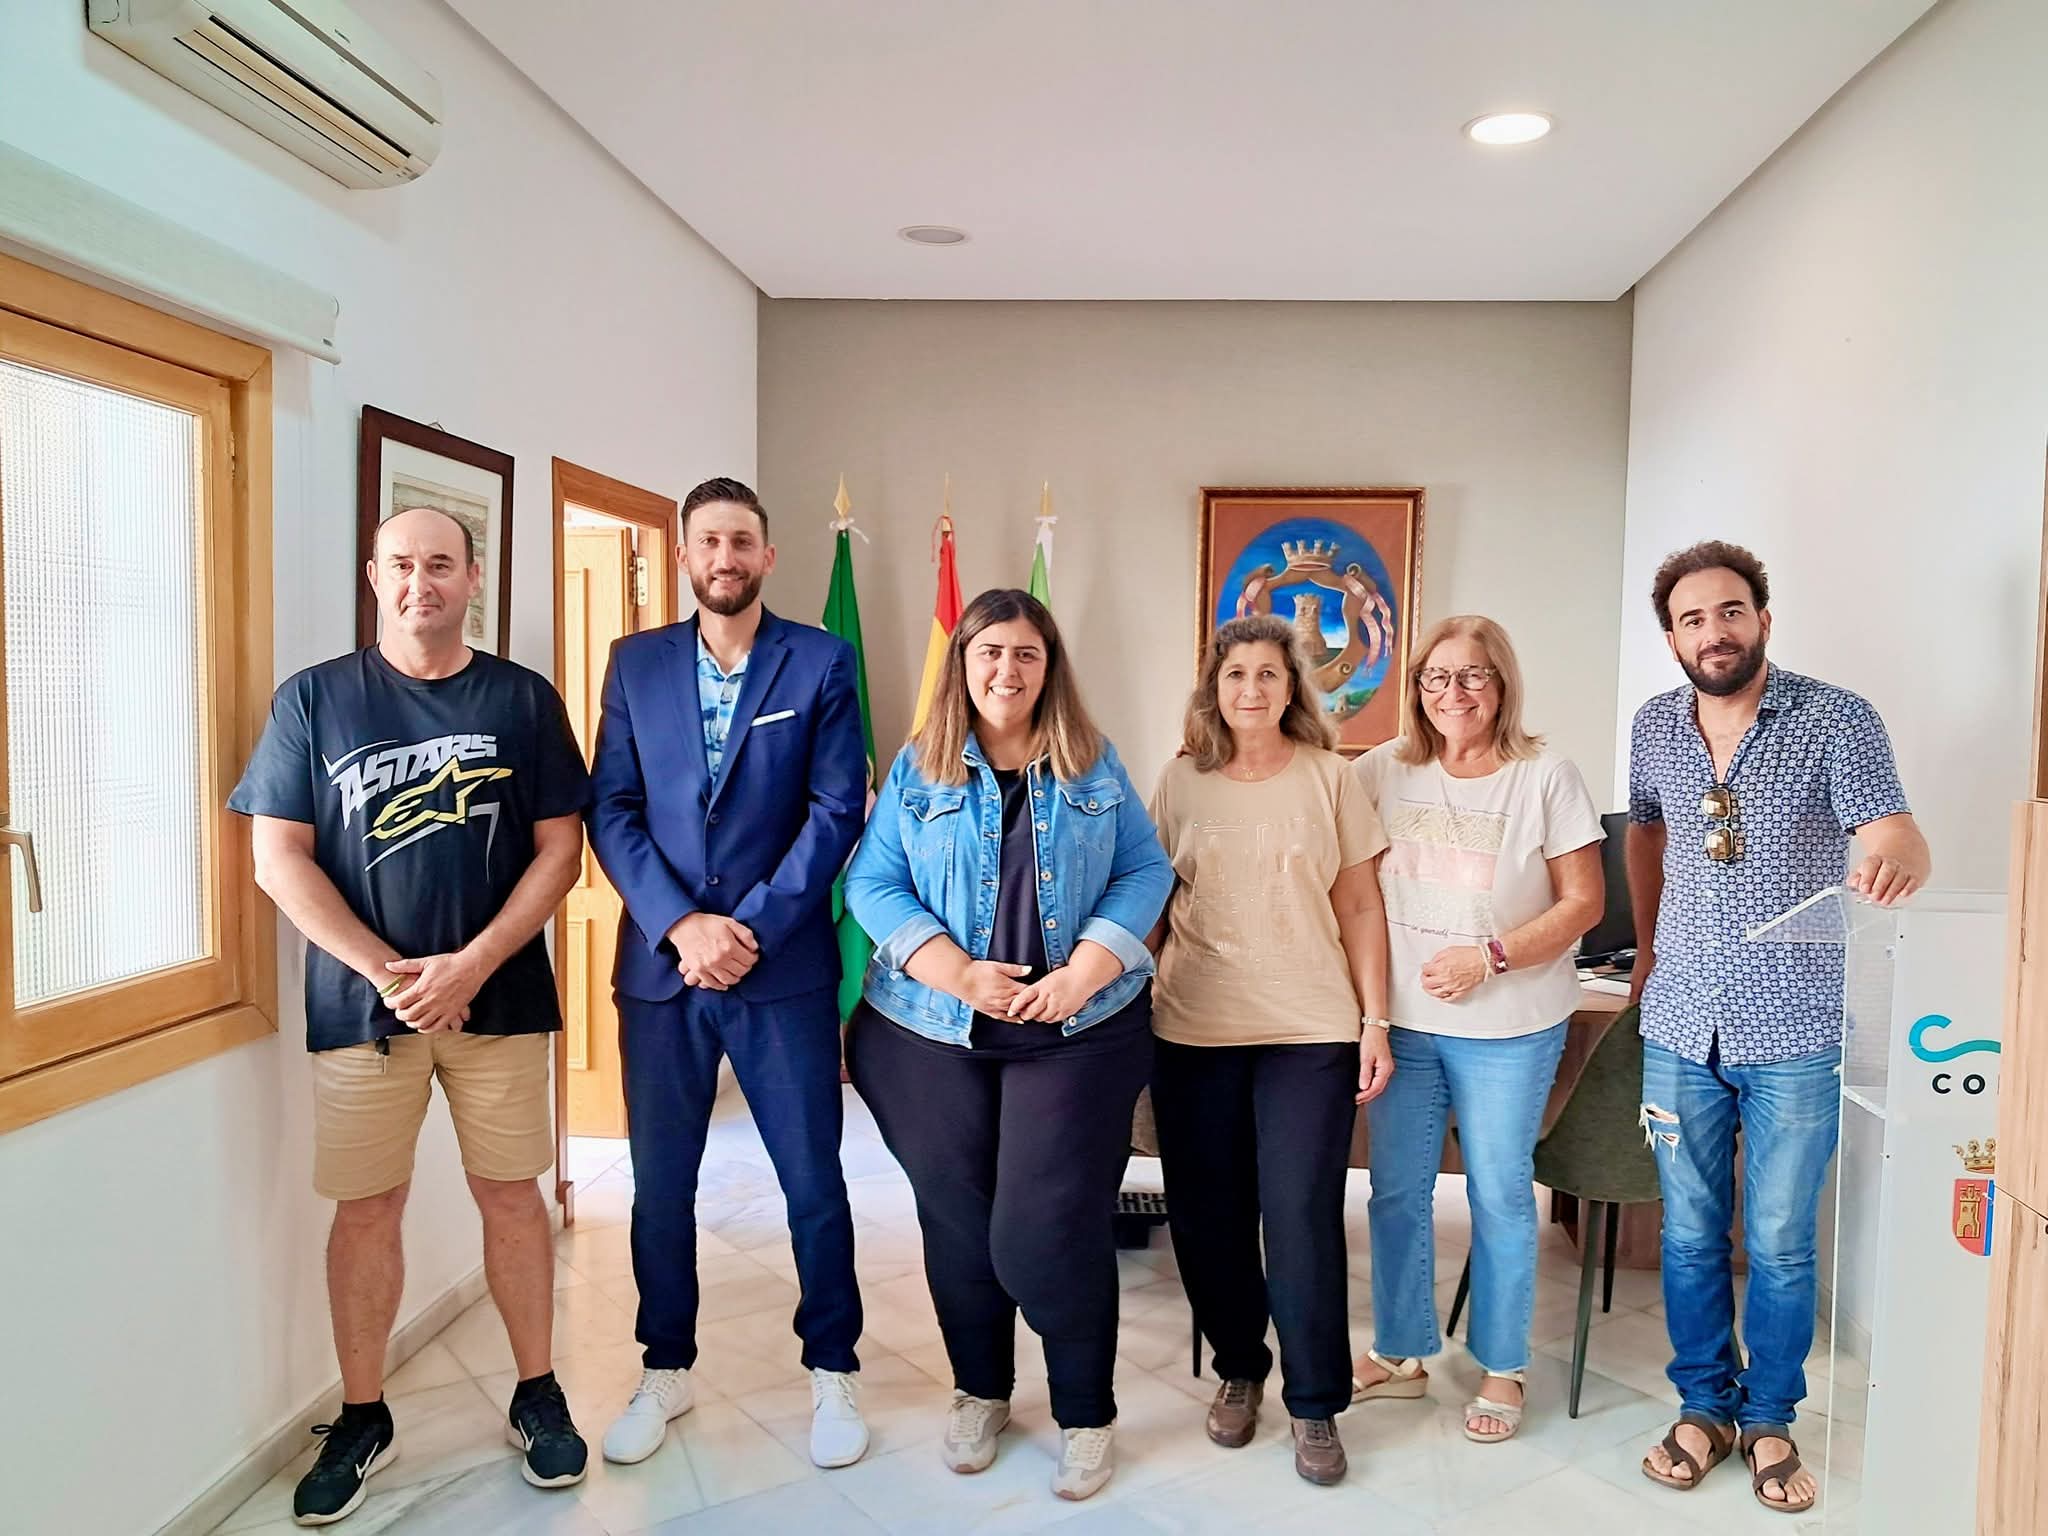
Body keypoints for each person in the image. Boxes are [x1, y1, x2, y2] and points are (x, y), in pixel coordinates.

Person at [229, 506, 593, 1525]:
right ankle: (362, 1415)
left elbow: (561, 851)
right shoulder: (314, 700)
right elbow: (277, 858)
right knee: (366, 1209)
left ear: (473, 578)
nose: (418, 583)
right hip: (363, 1011)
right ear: (373, 576)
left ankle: (536, 1392)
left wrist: (470, 964)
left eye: (439, 564)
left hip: (500, 1001)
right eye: (400, 564)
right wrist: (391, 974)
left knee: (512, 1198)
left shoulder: (522, 698)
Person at [843, 588, 1172, 1503]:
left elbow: (1147, 869)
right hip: (930, 1033)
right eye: (989, 651)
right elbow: (871, 880)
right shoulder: (921, 766)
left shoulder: (1092, 762)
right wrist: (954, 971)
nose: (1006, 669)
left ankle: (1085, 1414)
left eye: (1026, 653)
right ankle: (980, 1391)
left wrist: (1087, 971)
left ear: (1049, 665)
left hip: (1074, 1034)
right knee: (956, 1223)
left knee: (1044, 1229)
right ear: (963, 664)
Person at [1628, 541, 1929, 1515]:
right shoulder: (1653, 727)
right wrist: (1645, 950)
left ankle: (1768, 1420)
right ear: (1671, 638)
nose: (1712, 632)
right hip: (1681, 1022)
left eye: (1729, 612)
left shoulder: (1836, 719)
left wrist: (1896, 853)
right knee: (1686, 1235)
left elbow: (1891, 829)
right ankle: (1701, 1409)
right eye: (1691, 619)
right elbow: (1646, 829)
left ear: (1761, 618)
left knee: (1780, 1240)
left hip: (1797, 1028)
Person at [586, 477, 871, 1472]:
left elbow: (836, 810)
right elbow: (611, 807)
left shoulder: (820, 660)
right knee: (660, 1187)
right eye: (708, 541)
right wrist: (680, 926)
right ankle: (664, 1367)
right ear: (683, 555)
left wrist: (743, 930)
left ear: (767, 556)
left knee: (812, 1182)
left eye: (741, 541)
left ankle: (832, 1368)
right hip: (661, 975)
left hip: (779, 970)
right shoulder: (633, 662)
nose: (724, 557)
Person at [1145, 614, 1394, 1486]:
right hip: (1193, 1028)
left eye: (1267, 673)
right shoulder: (1179, 781)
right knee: (1207, 1219)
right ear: (1213, 688)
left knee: (1300, 1219)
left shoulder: (1332, 777)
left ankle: (1316, 1403)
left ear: (1292, 688)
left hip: (1309, 1031)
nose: (1250, 688)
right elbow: (1150, 901)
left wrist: (1375, 1020)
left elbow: (1360, 905)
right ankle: (1240, 1368)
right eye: (1235, 674)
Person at [1348, 615, 1605, 1444]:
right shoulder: (1380, 770)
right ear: (1416, 687)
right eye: (1436, 676)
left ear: (1502, 685)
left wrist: (1490, 958)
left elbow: (1584, 903)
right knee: (1396, 1191)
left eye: (1472, 675)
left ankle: (1502, 1363)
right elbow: (1343, 880)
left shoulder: (1545, 776)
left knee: (1498, 1193)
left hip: (1510, 1026)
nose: (1452, 692)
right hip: (1403, 1024)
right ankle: (1400, 1352)